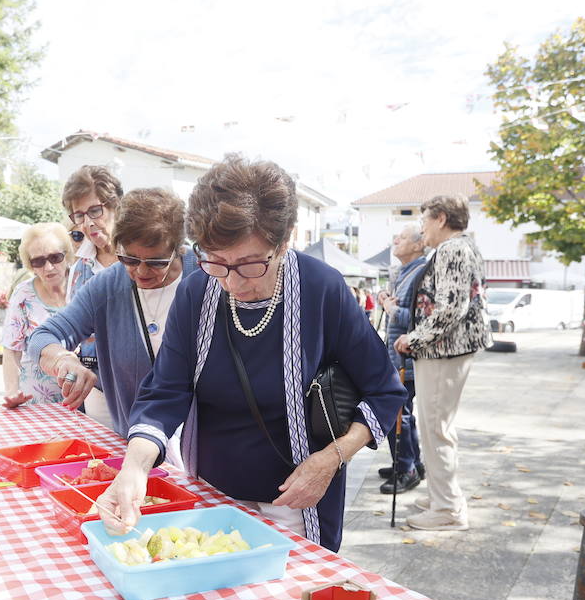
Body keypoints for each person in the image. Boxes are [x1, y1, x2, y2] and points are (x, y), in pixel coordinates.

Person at [92, 156, 404, 552]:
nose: (233, 283)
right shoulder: (196, 292)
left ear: (285, 240)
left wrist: (330, 460)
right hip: (214, 495)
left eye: (250, 264)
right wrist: (134, 468)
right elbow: (165, 392)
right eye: (217, 262)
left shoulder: (320, 289)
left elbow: (385, 391)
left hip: (297, 500)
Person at [25, 188, 201, 439]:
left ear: (179, 249)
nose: (141, 272)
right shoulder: (107, 286)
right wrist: (64, 360)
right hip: (138, 440)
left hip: (203, 443)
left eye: (156, 262)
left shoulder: (208, 275)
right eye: (129, 259)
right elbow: (43, 337)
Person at [393, 195, 490, 531]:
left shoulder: (452, 249)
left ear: (441, 219)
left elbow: (450, 309)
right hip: (448, 349)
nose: (422, 230)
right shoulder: (463, 247)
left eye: (424, 222)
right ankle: (441, 496)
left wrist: (413, 338)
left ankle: (447, 507)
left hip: (444, 350)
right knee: (439, 427)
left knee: (436, 427)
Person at [62, 165, 123, 427]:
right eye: (79, 215)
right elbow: (73, 326)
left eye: (95, 211)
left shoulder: (138, 256)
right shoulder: (79, 268)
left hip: (148, 384)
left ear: (115, 205)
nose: (88, 223)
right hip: (97, 387)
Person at [377, 225, 430, 495]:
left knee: (397, 415)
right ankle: (411, 463)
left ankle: (406, 468)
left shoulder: (420, 272)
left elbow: (415, 319)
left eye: (403, 237)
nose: (396, 240)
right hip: (397, 355)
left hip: (406, 356)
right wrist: (386, 300)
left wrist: (389, 307)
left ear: (419, 245)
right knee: (403, 412)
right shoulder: (404, 272)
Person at [1, 223, 74, 407]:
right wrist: (11, 391)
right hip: (37, 403)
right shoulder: (23, 295)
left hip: (84, 399)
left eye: (55, 257)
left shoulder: (84, 284)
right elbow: (11, 350)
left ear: (67, 255)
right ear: (30, 265)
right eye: (38, 261)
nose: (48, 267)